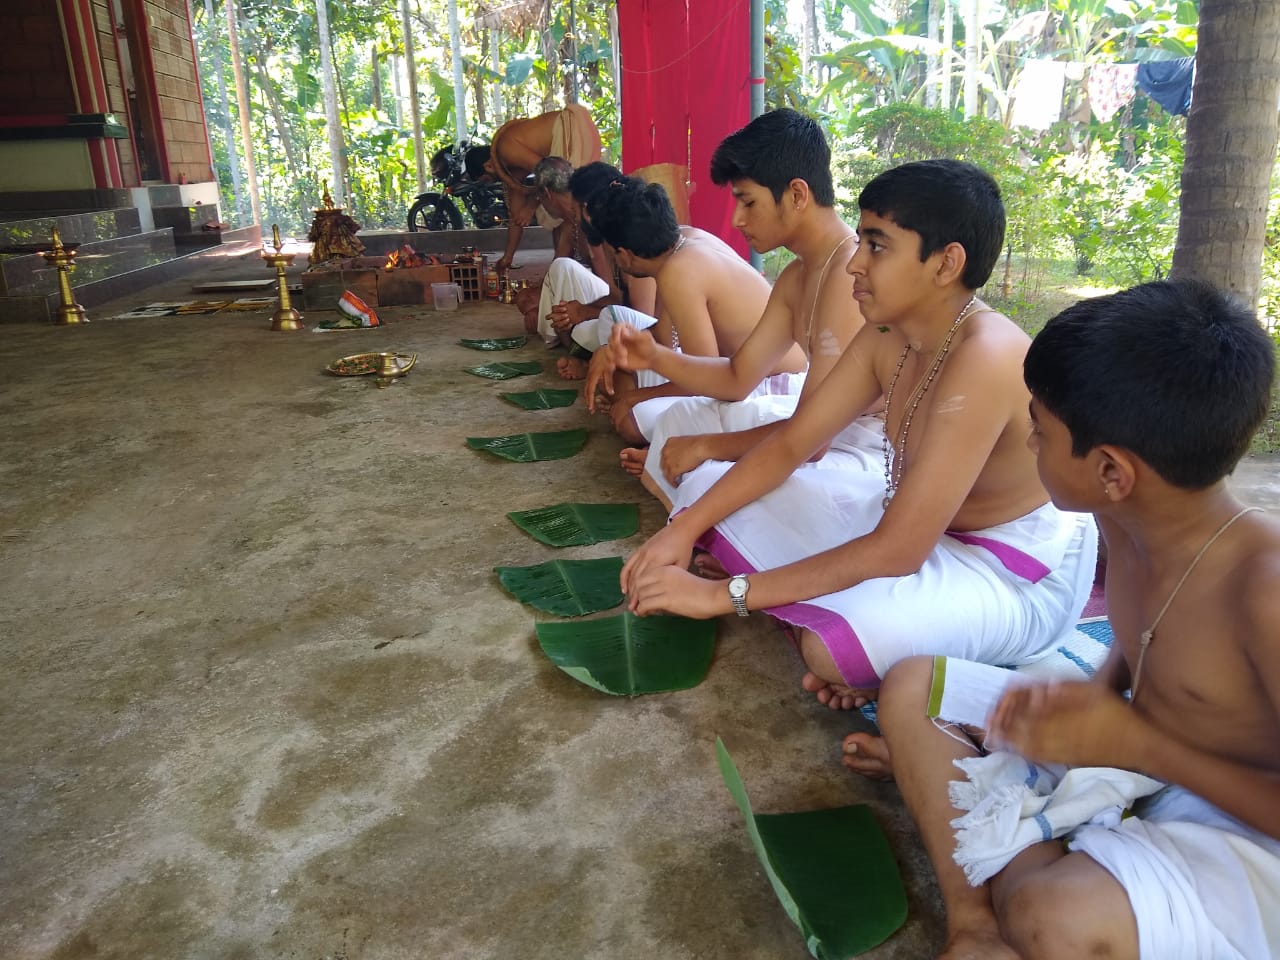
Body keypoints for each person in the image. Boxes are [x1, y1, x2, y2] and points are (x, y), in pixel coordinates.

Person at [842, 279, 1280, 960]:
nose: (1028, 442)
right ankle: (975, 926)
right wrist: (1092, 702)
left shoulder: (1265, 589)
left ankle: (973, 816)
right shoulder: (1123, 517)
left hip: (1241, 823)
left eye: (1040, 432)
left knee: (1057, 920)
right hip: (1139, 751)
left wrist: (1140, 747)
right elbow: (1147, 636)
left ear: (1111, 471)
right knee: (914, 686)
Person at [621, 159, 1099, 710]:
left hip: (1007, 568)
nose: (855, 263)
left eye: (877, 246)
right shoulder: (887, 332)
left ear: (946, 263)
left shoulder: (986, 355)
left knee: (827, 649)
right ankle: (840, 624)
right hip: (902, 522)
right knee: (705, 493)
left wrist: (720, 596)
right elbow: (792, 444)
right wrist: (681, 532)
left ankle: (858, 637)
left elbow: (897, 549)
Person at [600, 108, 876, 509]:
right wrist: (655, 357)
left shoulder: (847, 273)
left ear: (797, 195)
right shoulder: (797, 276)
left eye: (748, 202)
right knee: (679, 424)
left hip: (867, 444)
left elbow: (812, 441)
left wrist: (706, 447)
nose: (737, 219)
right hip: (816, 430)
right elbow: (736, 378)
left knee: (712, 477)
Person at [572, 178, 807, 446]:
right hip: (730, 372)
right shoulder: (684, 241)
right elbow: (664, 337)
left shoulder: (678, 271)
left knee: (630, 420)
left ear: (624, 254)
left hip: (770, 385)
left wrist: (637, 396)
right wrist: (613, 351)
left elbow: (705, 380)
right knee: (613, 324)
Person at [524, 161, 656, 347]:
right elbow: (616, 297)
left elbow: (644, 320)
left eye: (576, 209)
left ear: (587, 209)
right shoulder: (609, 236)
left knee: (596, 327)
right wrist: (577, 311)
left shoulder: (634, 236)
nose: (576, 217)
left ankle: (586, 354)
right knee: (582, 330)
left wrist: (584, 313)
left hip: (653, 339)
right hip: (629, 324)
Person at [485, 104, 602, 271]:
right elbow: (517, 218)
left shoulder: (506, 149)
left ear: (488, 165)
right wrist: (507, 258)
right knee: (559, 213)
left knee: (572, 207)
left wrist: (531, 206)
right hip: (572, 136)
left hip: (571, 128)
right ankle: (561, 267)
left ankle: (576, 266)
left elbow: (549, 172)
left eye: (486, 179)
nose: (489, 183)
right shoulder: (511, 174)